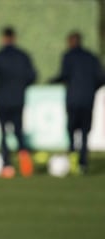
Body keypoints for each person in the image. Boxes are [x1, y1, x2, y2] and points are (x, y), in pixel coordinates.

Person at [51, 31, 104, 174]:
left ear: (71, 41)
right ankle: (83, 164)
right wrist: (91, 89)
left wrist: (52, 81)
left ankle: (72, 159)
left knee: (71, 130)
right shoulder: (92, 57)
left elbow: (64, 75)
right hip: (87, 100)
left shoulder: (68, 56)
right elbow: (101, 77)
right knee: (85, 133)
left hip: (73, 100)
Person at [0, 27, 36, 178]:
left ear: (3, 38)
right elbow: (32, 76)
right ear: (14, 38)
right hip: (18, 98)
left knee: (3, 133)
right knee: (19, 131)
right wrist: (21, 88)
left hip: (2, 99)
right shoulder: (23, 56)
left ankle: (7, 166)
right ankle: (25, 166)